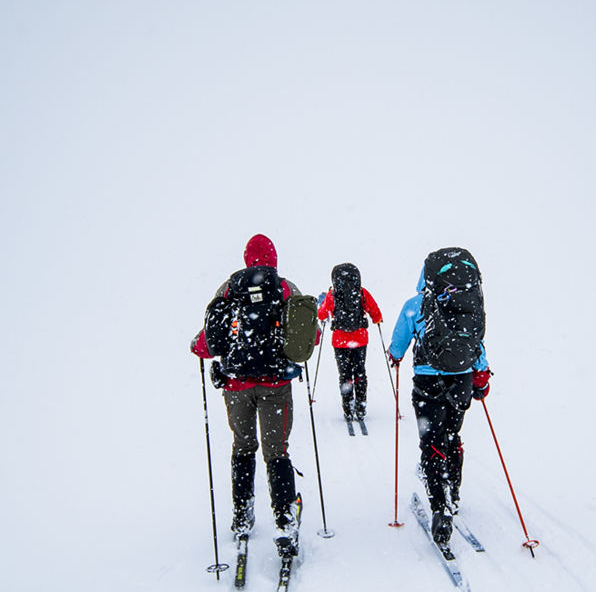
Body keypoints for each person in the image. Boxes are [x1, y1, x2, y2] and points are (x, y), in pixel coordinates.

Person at [191, 234, 307, 555]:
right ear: (274, 258)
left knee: (243, 447)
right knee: (276, 451)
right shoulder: (284, 288)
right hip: (274, 385)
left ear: (246, 259)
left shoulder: (228, 289)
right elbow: (305, 333)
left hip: (236, 386)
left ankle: (242, 514)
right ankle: (284, 519)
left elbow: (210, 338)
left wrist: (197, 347)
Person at [385, 247, 491, 548]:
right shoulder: (466, 305)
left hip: (427, 382)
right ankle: (453, 492)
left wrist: (395, 356)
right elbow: (476, 343)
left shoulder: (414, 305)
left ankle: (439, 506)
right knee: (451, 434)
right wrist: (481, 374)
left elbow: (397, 346)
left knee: (431, 441)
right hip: (462, 379)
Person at [316, 262, 384, 428]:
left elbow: (321, 314)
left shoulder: (332, 295)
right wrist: (377, 320)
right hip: (360, 339)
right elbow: (375, 312)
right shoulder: (361, 292)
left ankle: (348, 408)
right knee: (360, 371)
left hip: (340, 341)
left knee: (345, 374)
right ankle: (361, 407)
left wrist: (326, 301)